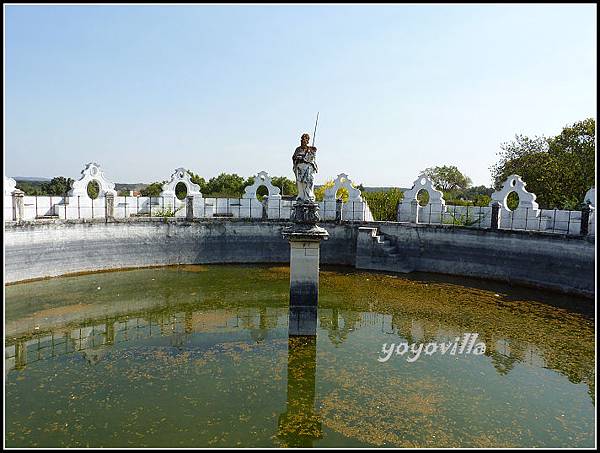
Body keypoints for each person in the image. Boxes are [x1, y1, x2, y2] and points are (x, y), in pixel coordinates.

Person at [292, 133, 318, 202]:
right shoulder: (298, 149)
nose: (303, 141)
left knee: (308, 182)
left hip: (308, 168)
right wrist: (298, 158)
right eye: (302, 139)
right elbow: (294, 157)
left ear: (307, 141)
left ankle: (308, 196)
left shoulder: (311, 149)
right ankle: (301, 195)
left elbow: (312, 158)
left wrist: (311, 152)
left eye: (305, 139)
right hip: (299, 168)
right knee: (300, 182)